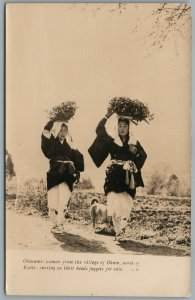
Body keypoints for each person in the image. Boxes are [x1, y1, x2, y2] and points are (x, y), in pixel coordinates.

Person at [88, 108, 147, 243]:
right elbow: (99, 130)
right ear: (116, 126)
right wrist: (106, 116)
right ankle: (119, 232)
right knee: (115, 205)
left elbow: (143, 156)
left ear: (129, 127)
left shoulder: (134, 142)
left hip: (128, 177)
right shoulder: (111, 140)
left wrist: (136, 152)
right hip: (114, 176)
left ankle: (122, 230)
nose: (122, 129)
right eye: (119, 126)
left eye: (125, 126)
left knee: (126, 206)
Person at [41, 119, 84, 234]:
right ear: (56, 130)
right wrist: (53, 120)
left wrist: (77, 172)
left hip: (67, 175)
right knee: (52, 202)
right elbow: (45, 132)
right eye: (60, 130)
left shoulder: (70, 143)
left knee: (63, 201)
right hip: (55, 173)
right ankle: (54, 224)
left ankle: (60, 224)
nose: (63, 133)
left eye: (65, 130)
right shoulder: (52, 142)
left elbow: (78, 158)